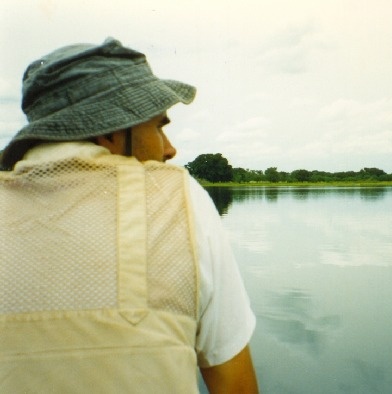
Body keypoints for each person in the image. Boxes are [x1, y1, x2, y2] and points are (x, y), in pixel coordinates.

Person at [0, 38, 258, 393]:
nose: (170, 149)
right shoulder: (182, 199)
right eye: (158, 126)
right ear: (109, 131)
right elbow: (236, 387)